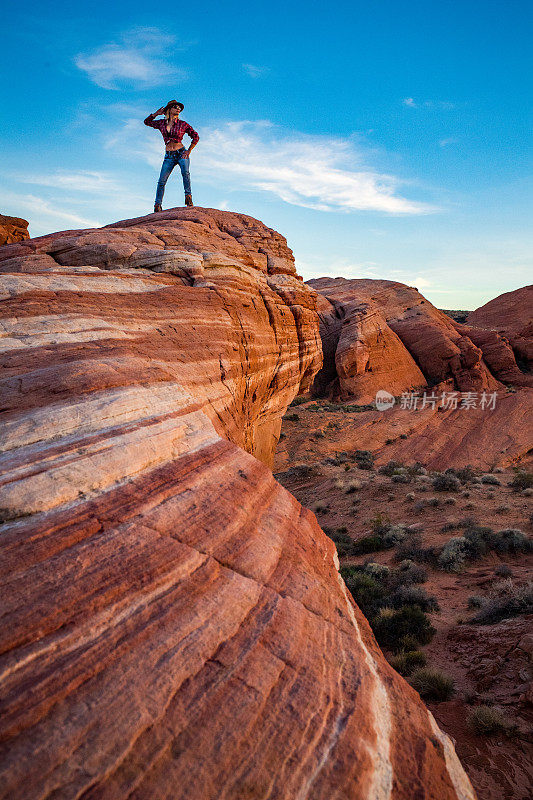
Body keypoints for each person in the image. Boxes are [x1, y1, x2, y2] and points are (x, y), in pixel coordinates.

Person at [144, 101, 200, 211]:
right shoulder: (161, 123)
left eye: (179, 107)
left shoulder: (183, 124)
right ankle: (157, 205)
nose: (178, 108)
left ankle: (188, 198)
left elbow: (195, 136)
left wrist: (189, 150)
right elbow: (147, 122)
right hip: (169, 156)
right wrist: (156, 114)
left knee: (185, 173)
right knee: (161, 181)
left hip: (181, 153)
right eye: (175, 107)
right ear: (169, 109)